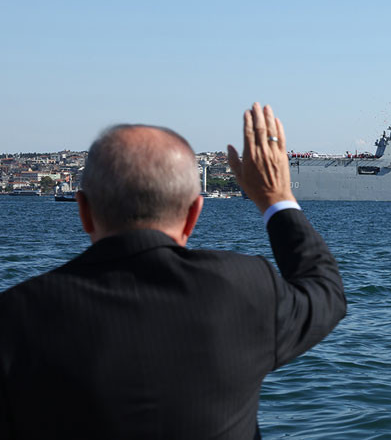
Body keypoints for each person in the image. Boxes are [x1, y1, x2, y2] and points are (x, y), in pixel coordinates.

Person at [0, 103, 346, 439]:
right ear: (194, 214)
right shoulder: (247, 289)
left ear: (84, 212)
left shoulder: (15, 316)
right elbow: (326, 291)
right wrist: (276, 198)